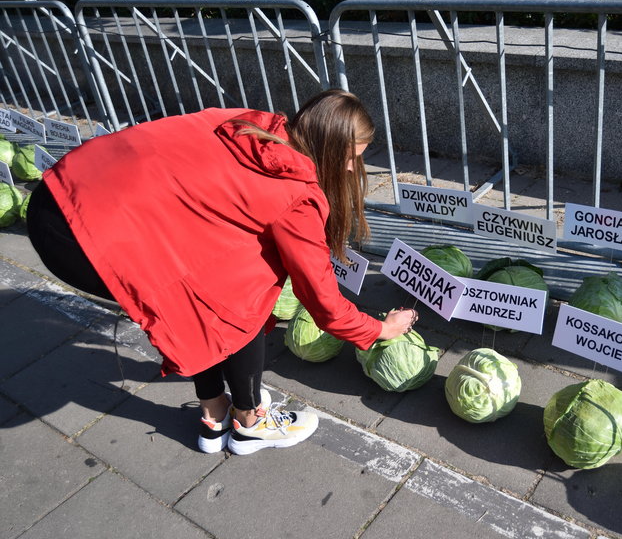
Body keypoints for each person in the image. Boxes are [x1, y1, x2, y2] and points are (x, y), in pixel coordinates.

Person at [26, 89, 418, 455]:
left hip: (62, 191)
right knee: (241, 298)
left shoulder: (247, 122)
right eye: (351, 157)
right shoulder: (295, 193)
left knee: (203, 295)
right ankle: (250, 422)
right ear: (328, 148)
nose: (353, 169)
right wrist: (380, 329)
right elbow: (323, 302)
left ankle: (214, 417)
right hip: (85, 239)